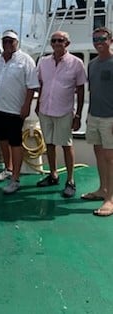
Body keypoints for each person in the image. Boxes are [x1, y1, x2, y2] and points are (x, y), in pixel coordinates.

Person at [0, 30, 39, 194]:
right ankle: (8, 169)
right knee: (2, 139)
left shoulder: (26, 60)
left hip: (15, 110)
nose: (8, 43)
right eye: (5, 40)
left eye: (11, 41)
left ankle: (15, 179)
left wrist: (26, 106)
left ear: (17, 42)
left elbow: (32, 86)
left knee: (15, 143)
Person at [35, 31, 86, 198]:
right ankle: (53, 175)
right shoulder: (43, 62)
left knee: (66, 145)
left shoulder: (76, 63)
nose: (57, 43)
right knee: (49, 143)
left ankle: (70, 180)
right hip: (45, 109)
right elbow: (41, 84)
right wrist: (37, 104)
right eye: (54, 40)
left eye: (61, 40)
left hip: (64, 110)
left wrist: (78, 115)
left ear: (67, 43)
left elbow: (80, 89)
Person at [82, 27, 113, 216]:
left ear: (110, 40)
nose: (98, 42)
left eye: (102, 38)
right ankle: (103, 189)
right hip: (94, 115)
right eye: (95, 39)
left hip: (110, 118)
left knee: (111, 158)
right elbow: (93, 91)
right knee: (99, 153)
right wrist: (87, 115)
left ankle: (111, 199)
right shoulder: (92, 64)